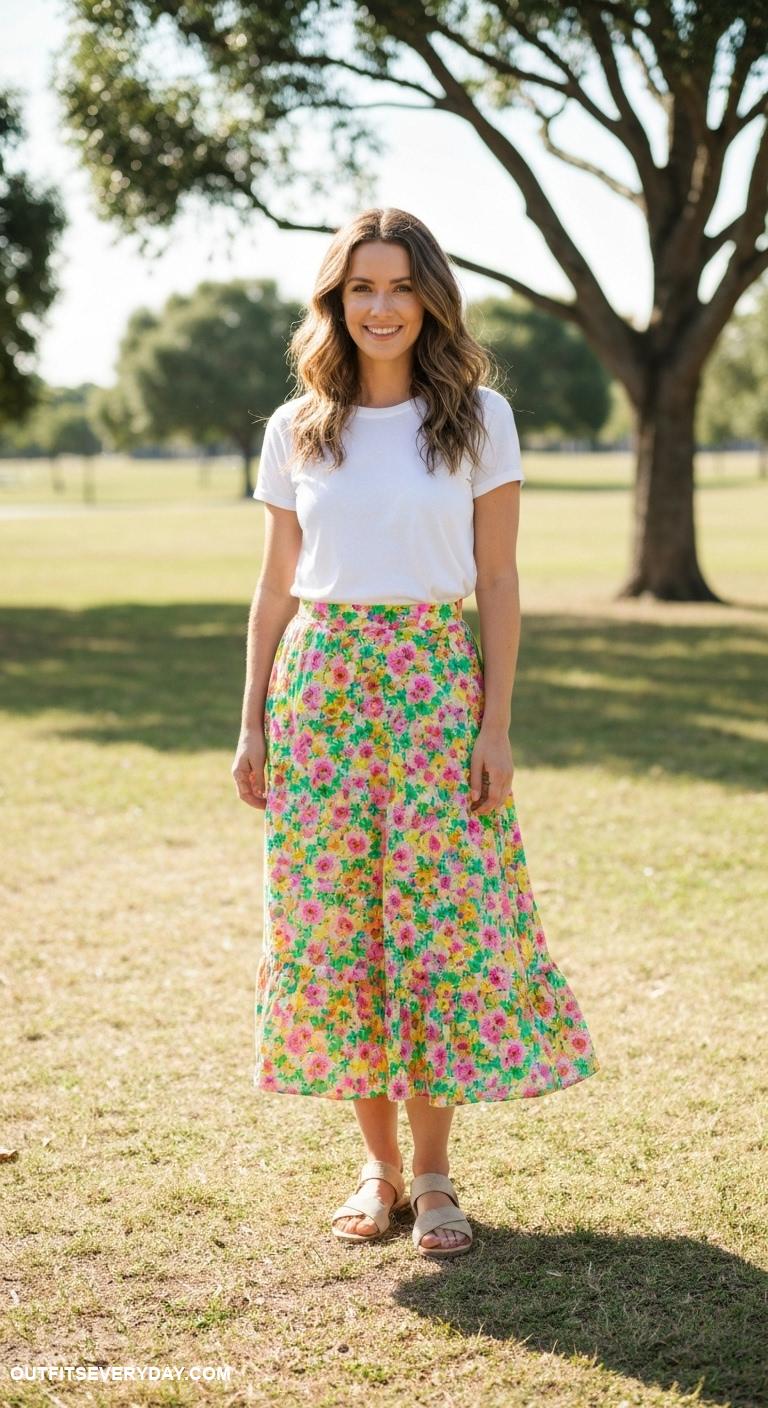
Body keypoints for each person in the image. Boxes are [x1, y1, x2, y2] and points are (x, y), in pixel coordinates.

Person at [232, 207, 600, 1259]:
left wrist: (497, 725)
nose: (381, 306)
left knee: (435, 924)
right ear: (335, 303)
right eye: (361, 288)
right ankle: (378, 1170)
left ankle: (435, 1175)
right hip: (323, 687)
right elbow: (272, 587)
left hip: (439, 683)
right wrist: (251, 718)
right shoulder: (296, 426)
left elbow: (498, 578)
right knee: (339, 925)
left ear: (430, 296)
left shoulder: (478, 417)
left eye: (398, 286)